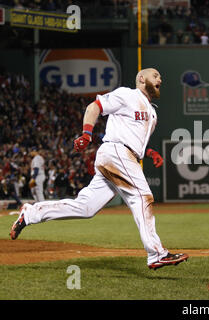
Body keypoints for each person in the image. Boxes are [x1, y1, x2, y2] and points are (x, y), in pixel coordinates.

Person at [10, 68, 189, 271]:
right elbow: (93, 107)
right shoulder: (127, 95)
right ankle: (156, 254)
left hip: (123, 155)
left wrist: (149, 153)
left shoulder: (152, 113)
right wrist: (87, 134)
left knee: (86, 208)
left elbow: (133, 139)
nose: (160, 78)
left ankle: (31, 213)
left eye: (160, 76)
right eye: (155, 75)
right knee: (142, 196)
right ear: (141, 78)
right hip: (116, 152)